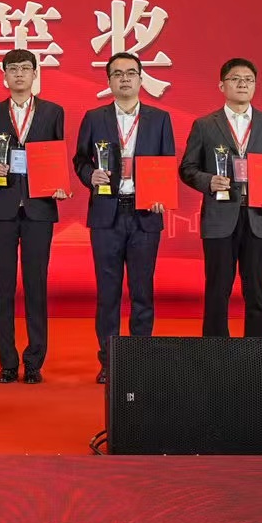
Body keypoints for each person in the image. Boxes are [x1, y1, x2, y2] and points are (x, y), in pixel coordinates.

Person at [74, 52, 176, 384]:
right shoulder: (94, 117)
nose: (125, 79)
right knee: (108, 293)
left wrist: (162, 194)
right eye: (117, 74)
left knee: (142, 290)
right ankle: (110, 361)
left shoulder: (159, 119)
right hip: (107, 213)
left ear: (141, 78)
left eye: (131, 73)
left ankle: (140, 360)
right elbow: (80, 160)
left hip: (145, 213)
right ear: (109, 81)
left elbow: (167, 161)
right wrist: (90, 176)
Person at [0, 49, 68, 384]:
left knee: (36, 284)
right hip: (2, 206)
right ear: (4, 76)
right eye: (12, 69)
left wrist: (58, 184)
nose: (19, 75)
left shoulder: (53, 112)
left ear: (34, 74)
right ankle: (8, 362)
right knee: (2, 286)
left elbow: (57, 155)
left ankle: (34, 361)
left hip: (39, 207)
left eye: (25, 69)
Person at [180, 58, 262, 338]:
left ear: (255, 85)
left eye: (248, 79)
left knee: (258, 292)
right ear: (221, 86)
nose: (242, 84)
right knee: (217, 291)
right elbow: (187, 168)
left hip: (259, 217)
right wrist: (208, 181)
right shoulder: (205, 125)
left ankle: (258, 353)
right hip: (220, 217)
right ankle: (215, 353)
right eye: (235, 78)